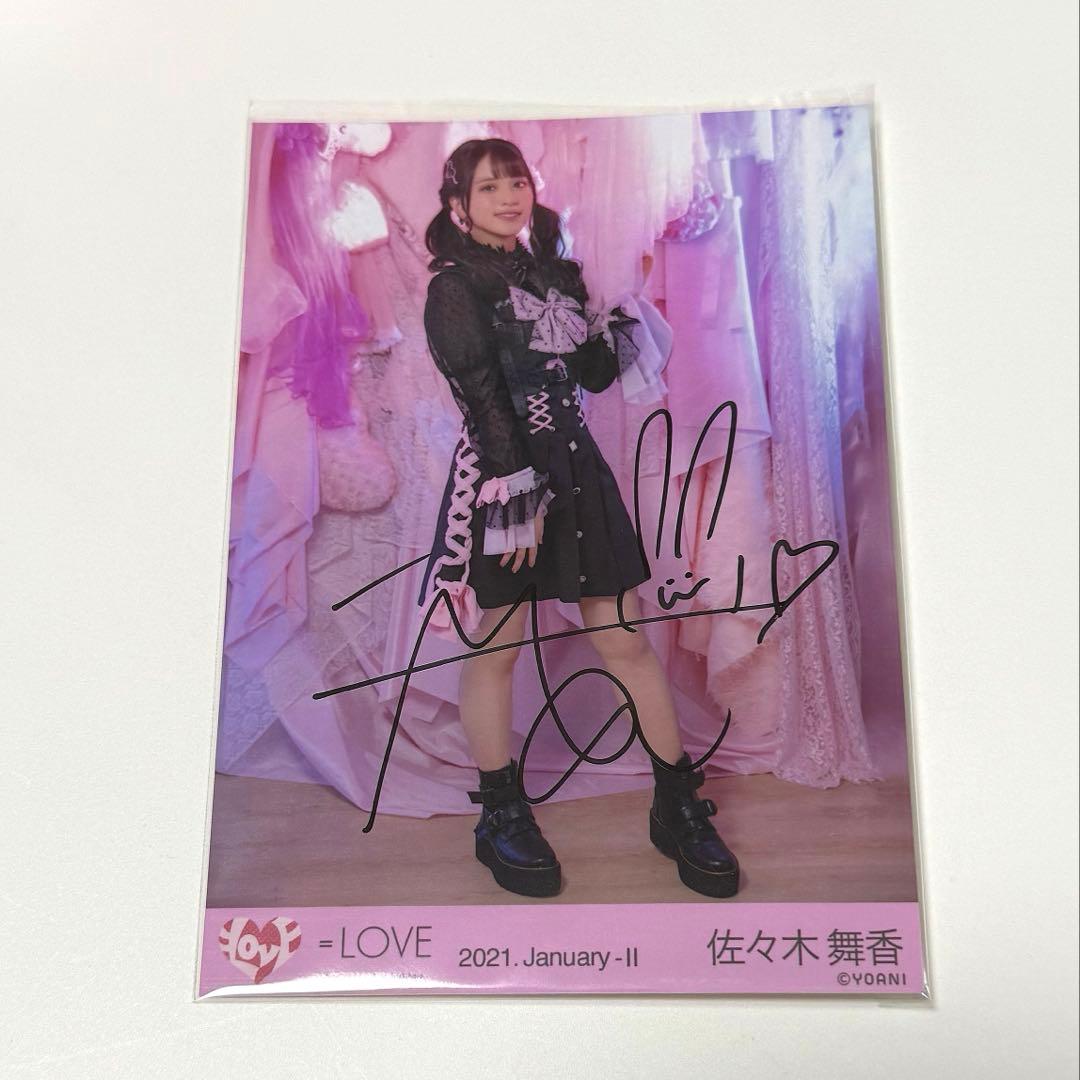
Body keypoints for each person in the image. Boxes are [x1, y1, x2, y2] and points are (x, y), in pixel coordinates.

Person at [418, 137, 739, 900]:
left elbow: (595, 376)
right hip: (505, 477)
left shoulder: (557, 273)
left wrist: (615, 301)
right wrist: (517, 493)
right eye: (489, 187)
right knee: (497, 648)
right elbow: (482, 399)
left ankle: (676, 806)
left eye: (516, 182)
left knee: (624, 639)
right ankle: (500, 815)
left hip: (577, 472)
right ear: (458, 204)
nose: (509, 197)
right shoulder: (455, 287)